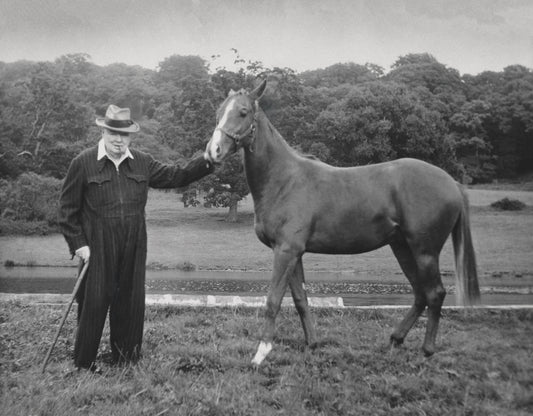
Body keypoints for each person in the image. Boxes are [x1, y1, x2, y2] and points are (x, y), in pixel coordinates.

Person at [58, 104, 214, 371]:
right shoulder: (82, 163)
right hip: (97, 246)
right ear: (104, 132)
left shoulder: (142, 161)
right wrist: (79, 245)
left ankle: (125, 359)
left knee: (129, 301)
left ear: (131, 136)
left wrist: (209, 160)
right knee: (93, 304)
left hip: (134, 243)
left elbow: (178, 176)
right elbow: (67, 211)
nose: (118, 140)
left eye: (124, 135)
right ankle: (84, 363)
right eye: (113, 135)